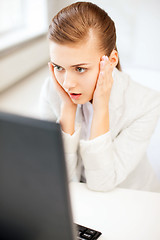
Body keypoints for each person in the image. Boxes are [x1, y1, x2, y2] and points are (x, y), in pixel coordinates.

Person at [39, 1, 160, 192]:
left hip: (131, 202)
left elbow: (102, 183)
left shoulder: (147, 104)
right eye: (58, 67)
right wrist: (68, 110)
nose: (67, 83)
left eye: (80, 68)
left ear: (111, 61)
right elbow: (55, 176)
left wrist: (101, 108)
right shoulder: (51, 90)